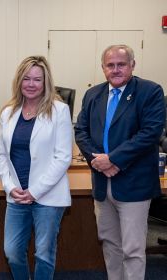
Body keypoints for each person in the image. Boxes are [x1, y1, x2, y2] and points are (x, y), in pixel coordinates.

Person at [74, 44, 165, 280]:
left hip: (133, 184)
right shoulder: (93, 94)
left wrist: (113, 159)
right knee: (110, 243)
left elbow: (150, 133)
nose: (115, 70)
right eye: (110, 65)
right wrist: (98, 161)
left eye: (121, 64)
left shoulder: (150, 91)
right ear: (103, 68)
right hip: (102, 184)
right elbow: (81, 131)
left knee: (133, 250)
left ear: (132, 65)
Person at [0, 56, 72, 279]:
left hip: (47, 196)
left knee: (44, 254)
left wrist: (35, 191)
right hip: (17, 195)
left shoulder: (59, 111)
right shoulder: (8, 112)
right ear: (19, 81)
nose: (31, 84)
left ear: (46, 82)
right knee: (12, 252)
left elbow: (63, 157)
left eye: (37, 79)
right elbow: (2, 155)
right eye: (26, 78)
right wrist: (10, 187)